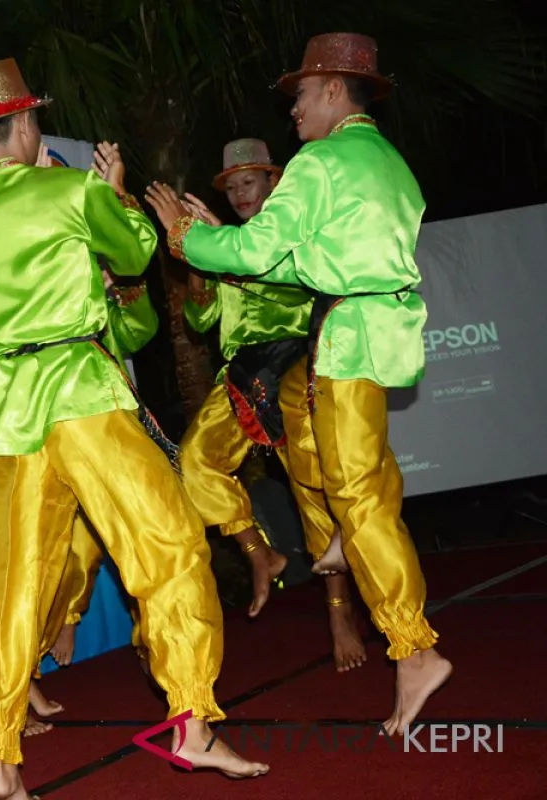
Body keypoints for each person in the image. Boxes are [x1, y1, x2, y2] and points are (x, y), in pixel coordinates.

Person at [0, 58, 268, 800]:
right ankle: (192, 722)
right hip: (80, 394)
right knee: (169, 545)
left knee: (11, 581)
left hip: (8, 412)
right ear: (26, 124)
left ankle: (1, 758)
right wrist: (109, 194)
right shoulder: (67, 190)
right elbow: (137, 251)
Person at [144, 32, 452, 737]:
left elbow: (257, 249)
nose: (295, 111)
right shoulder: (391, 163)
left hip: (347, 336)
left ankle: (414, 648)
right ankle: (342, 542)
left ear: (335, 90)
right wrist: (220, 249)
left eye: (303, 94)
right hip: (383, 329)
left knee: (356, 491)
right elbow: (298, 265)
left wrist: (188, 239)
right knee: (361, 472)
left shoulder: (320, 161)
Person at [179, 138, 367, 671]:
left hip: (294, 363)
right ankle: (259, 551)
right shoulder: (224, 241)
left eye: (249, 182)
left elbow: (297, 290)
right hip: (241, 374)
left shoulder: (294, 230)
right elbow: (199, 319)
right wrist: (196, 253)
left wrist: (221, 246)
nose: (240, 193)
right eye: (232, 187)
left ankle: (338, 614)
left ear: (273, 182)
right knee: (194, 461)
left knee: (312, 488)